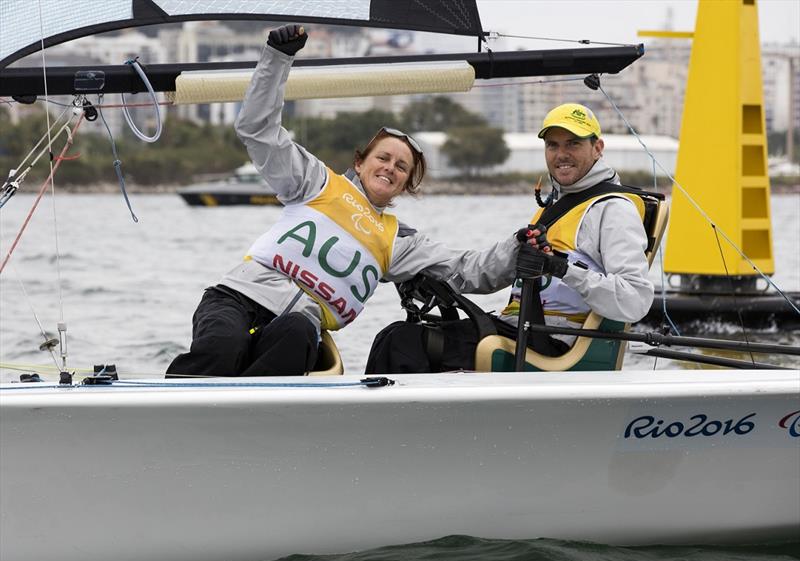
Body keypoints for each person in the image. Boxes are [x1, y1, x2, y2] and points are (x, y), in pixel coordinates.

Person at [166, 24, 532, 378]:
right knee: (221, 348)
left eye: (402, 167)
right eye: (383, 158)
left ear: (405, 185)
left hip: (296, 327)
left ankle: (242, 420)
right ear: (360, 162)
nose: (390, 168)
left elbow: (466, 270)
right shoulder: (315, 182)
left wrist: (518, 249)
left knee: (295, 332)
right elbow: (257, 130)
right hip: (238, 299)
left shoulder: (399, 241)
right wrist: (277, 58)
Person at [366, 102, 654, 373]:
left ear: (598, 148)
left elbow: (635, 300)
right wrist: (421, 268)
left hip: (552, 344)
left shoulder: (613, 210)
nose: (561, 154)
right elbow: (486, 276)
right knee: (393, 335)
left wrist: (561, 269)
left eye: (573, 144)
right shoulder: (557, 206)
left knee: (403, 344)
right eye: (553, 145)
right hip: (518, 329)